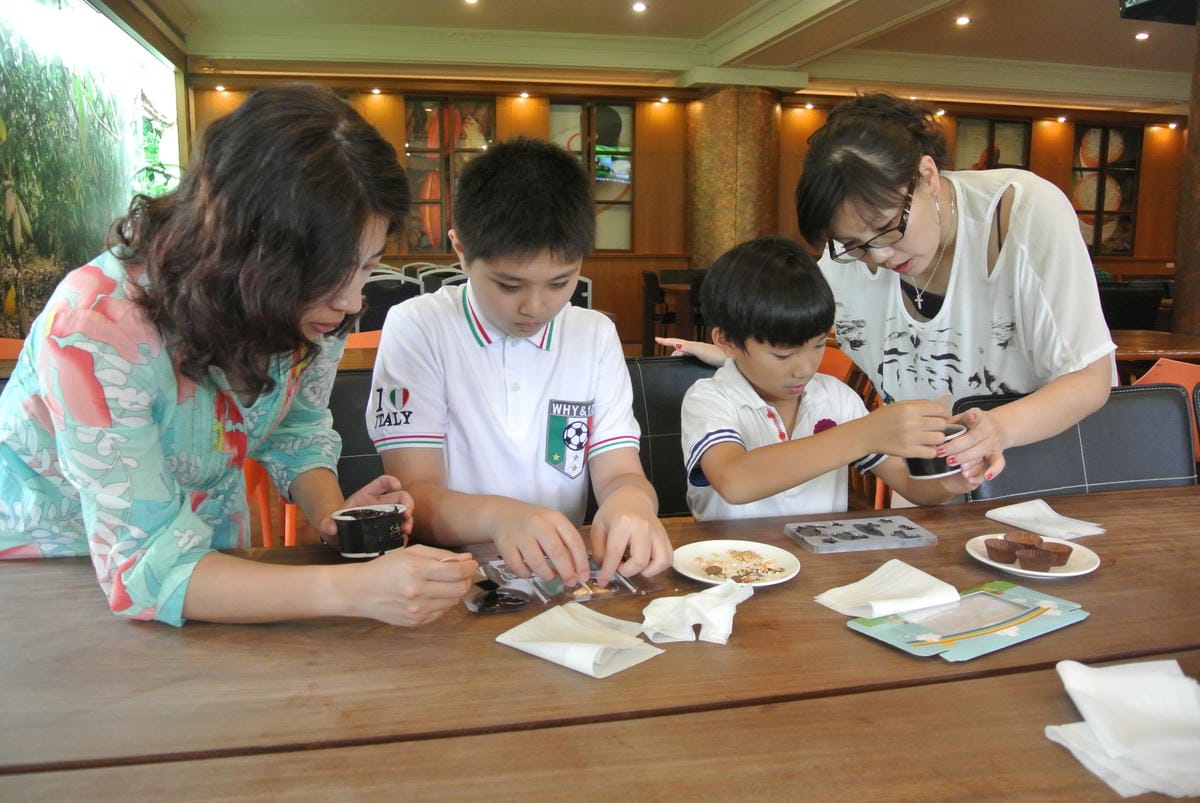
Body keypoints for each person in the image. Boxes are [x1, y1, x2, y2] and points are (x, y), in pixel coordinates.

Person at [0, 83, 477, 627]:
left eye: (366, 265)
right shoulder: (96, 330)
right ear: (245, 256)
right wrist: (354, 590)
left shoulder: (307, 305)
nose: (349, 301)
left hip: (213, 562)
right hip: (50, 570)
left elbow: (296, 422)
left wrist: (333, 512)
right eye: (325, 274)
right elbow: (143, 571)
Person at [670, 93, 1115, 480]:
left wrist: (999, 428)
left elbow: (1090, 377)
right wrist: (743, 354)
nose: (879, 257)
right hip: (930, 478)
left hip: (1033, 469)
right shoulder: (846, 254)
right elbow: (803, 332)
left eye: (886, 229)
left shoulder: (1023, 213)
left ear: (926, 175)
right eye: (852, 245)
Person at [368, 137, 672, 587]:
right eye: (509, 286)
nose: (535, 306)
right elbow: (415, 495)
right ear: (460, 249)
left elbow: (620, 470)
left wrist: (632, 502)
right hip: (448, 578)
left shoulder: (593, 335)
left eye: (560, 282)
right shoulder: (419, 327)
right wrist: (499, 518)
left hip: (560, 575)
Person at [680, 236, 981, 521]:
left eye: (819, 345)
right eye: (783, 356)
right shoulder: (709, 399)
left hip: (820, 568)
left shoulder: (836, 399)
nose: (805, 369)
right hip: (730, 565)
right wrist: (862, 435)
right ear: (727, 342)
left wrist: (952, 477)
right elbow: (735, 481)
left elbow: (912, 486)